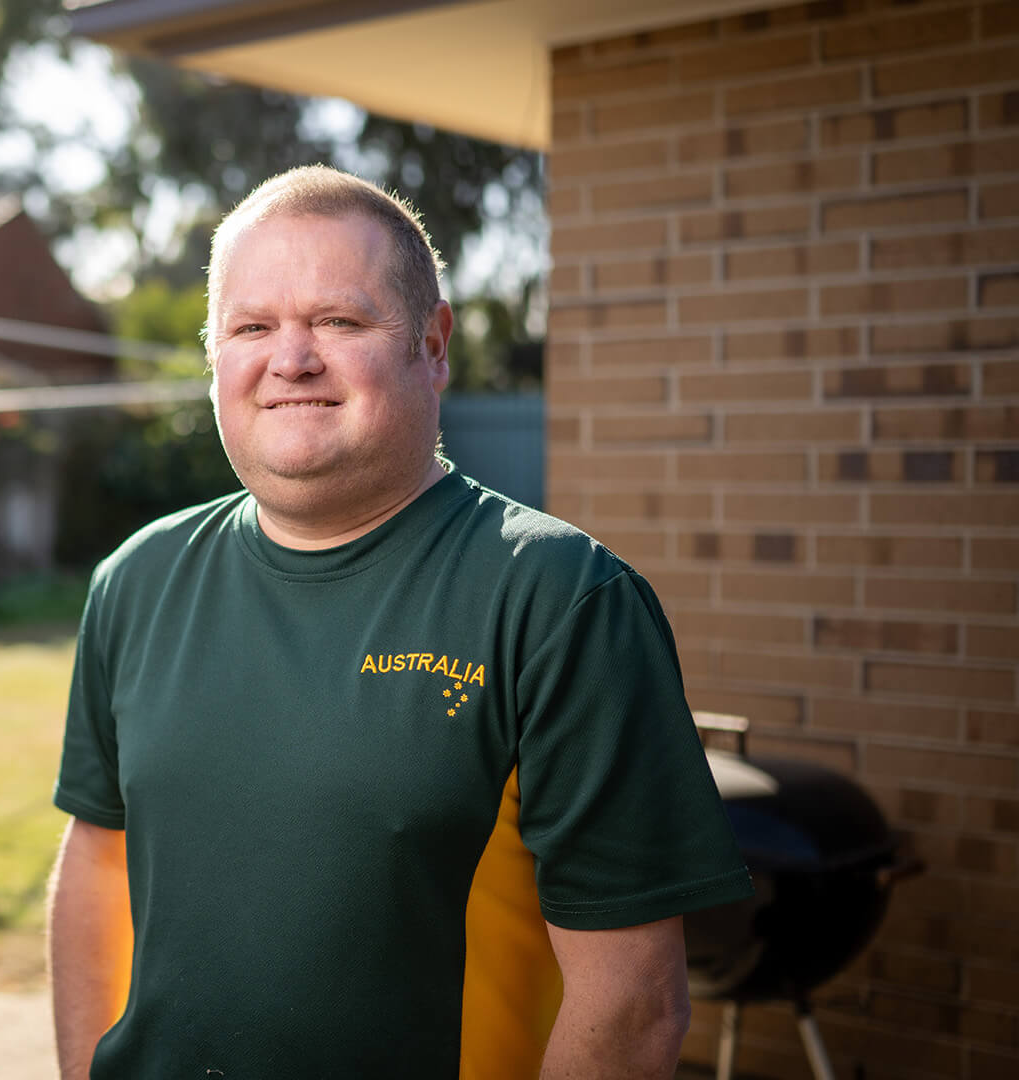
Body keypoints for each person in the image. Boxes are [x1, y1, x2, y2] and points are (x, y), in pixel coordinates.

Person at [47, 165, 752, 1080]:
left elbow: (633, 1005)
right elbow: (97, 868)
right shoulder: (135, 582)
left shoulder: (560, 600)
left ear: (433, 342)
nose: (290, 358)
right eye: (252, 326)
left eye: (338, 321)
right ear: (215, 352)